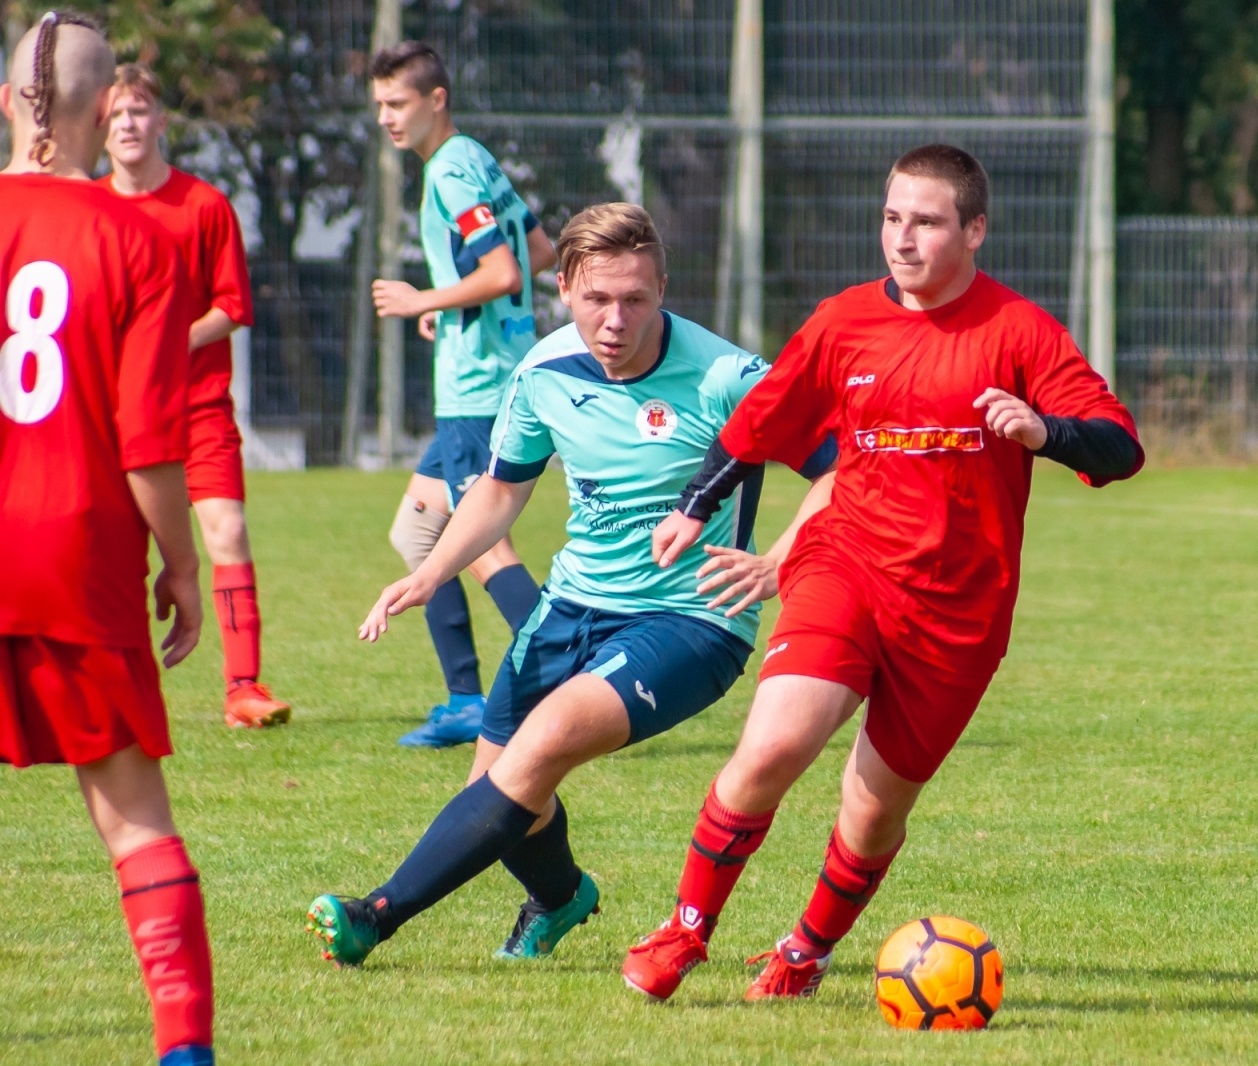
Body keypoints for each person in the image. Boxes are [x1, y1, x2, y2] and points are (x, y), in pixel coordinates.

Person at [622, 144, 1144, 1002]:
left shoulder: (1021, 331)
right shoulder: (843, 322)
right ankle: (684, 932)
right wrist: (692, 504)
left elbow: (1120, 446)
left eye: (927, 222)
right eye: (893, 218)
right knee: (775, 744)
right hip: (848, 564)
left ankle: (804, 953)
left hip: (960, 612)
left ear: (975, 230)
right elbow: (759, 423)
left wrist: (1045, 433)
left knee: (872, 812)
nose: (903, 238)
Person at [304, 203, 837, 967]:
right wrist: (430, 571)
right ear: (563, 289)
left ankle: (373, 916)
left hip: (690, 619)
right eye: (596, 299)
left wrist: (778, 561)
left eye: (635, 299)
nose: (615, 320)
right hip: (569, 608)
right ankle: (560, 897)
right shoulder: (544, 371)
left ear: (663, 289)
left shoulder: (728, 376)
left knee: (541, 744)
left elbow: (841, 469)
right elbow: (500, 489)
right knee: (498, 787)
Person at [1, 12, 216, 1065]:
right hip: (75, 555)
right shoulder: (141, 241)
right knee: (133, 818)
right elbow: (147, 447)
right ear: (103, 111)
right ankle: (184, 1049)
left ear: (8, 103)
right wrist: (182, 563)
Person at [369, 41, 555, 746]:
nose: (386, 118)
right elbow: (540, 252)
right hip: (489, 373)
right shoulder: (474, 156)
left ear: (436, 99)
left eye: (398, 103)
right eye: (380, 105)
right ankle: (465, 702)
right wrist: (450, 305)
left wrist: (423, 298)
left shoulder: (448, 171)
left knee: (481, 544)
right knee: (418, 531)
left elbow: (504, 272)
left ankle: (566, 673)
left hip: (478, 387)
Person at [99, 62, 290, 730]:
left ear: (161, 121)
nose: (127, 123)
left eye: (138, 110)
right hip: (113, 414)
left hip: (197, 407)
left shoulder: (204, 205)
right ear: (99, 125)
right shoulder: (90, 209)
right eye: (116, 113)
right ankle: (115, 688)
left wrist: (164, 343)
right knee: (114, 553)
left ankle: (243, 689)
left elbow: (232, 306)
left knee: (228, 530)